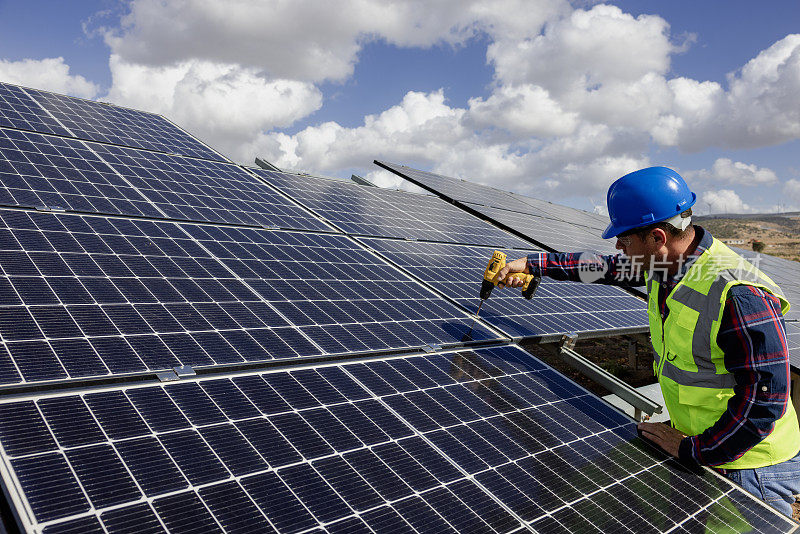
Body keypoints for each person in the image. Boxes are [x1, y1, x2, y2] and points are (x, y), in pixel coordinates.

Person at [497, 166, 800, 517]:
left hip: (749, 463)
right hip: (702, 442)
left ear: (657, 237)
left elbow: (765, 400)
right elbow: (601, 266)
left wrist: (692, 451)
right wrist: (534, 264)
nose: (618, 246)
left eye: (624, 239)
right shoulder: (662, 264)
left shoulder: (738, 294)